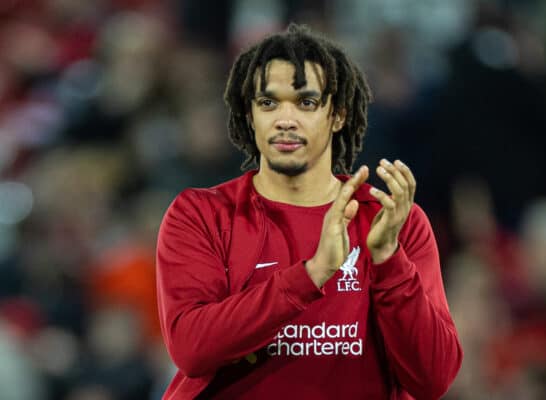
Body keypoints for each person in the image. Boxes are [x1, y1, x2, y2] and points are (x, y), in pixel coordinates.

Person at [156, 24, 462, 400]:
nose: (285, 119)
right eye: (268, 103)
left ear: (338, 115)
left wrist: (388, 260)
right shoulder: (201, 214)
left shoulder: (393, 222)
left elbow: (434, 378)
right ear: (250, 116)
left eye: (306, 102)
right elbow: (192, 348)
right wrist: (313, 273)